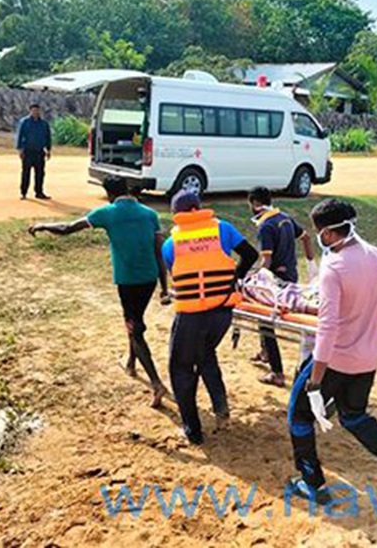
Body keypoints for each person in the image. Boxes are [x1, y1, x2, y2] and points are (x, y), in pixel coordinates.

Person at [287, 198, 377, 515]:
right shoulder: (376, 257)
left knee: (298, 416)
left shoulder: (334, 267)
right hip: (367, 359)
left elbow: (328, 326)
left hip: (335, 359)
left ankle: (313, 485)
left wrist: (316, 379)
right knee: (354, 416)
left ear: (327, 233)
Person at [28, 176, 169, 407]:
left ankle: (156, 384)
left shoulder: (107, 213)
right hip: (149, 279)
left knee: (134, 328)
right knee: (133, 320)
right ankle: (132, 364)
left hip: (128, 280)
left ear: (110, 193)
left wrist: (43, 225)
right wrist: (164, 288)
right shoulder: (149, 214)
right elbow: (159, 252)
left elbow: (67, 228)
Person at [162, 190, 259, 444]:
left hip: (192, 316)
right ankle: (221, 408)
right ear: (198, 208)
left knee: (181, 368)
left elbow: (177, 274)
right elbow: (251, 254)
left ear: (177, 215)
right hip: (222, 311)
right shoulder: (223, 229)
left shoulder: (170, 244)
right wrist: (234, 278)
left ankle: (192, 429)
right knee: (205, 354)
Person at [247, 186, 317, 387]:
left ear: (254, 203)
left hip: (276, 282)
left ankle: (277, 373)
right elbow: (305, 237)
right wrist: (311, 264)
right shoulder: (284, 217)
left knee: (265, 321)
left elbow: (266, 260)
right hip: (291, 276)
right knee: (264, 321)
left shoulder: (266, 226)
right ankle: (265, 352)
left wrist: (256, 278)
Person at [17, 103, 52, 200]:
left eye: (37, 110)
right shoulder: (25, 122)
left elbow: (48, 137)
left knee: (40, 173)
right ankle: (23, 193)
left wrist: (48, 150)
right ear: (30, 111)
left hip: (39, 152)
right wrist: (20, 150)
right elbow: (20, 136)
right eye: (33, 110)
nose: (35, 112)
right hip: (28, 152)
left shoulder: (44, 124)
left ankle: (39, 192)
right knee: (26, 173)